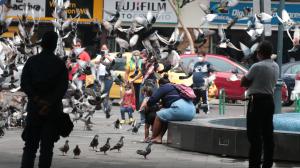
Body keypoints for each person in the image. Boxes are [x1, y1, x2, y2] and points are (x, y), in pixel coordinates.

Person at [20, 31, 69, 168]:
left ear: (41, 45)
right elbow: (62, 88)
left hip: (34, 110)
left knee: (30, 148)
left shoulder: (32, 62)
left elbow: (24, 83)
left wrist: (37, 99)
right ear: (54, 46)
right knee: (47, 150)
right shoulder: (59, 64)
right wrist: (48, 103)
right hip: (52, 112)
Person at [241, 41, 279, 168]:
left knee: (254, 135)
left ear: (260, 52)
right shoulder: (276, 66)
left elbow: (244, 83)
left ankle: (255, 164)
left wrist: (246, 79)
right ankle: (267, 163)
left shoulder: (257, 66)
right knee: (268, 134)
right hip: (269, 101)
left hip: (257, 102)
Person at [147, 74, 195, 144]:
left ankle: (153, 138)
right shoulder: (176, 87)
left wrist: (147, 105)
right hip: (191, 111)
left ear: (160, 84)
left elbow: (152, 100)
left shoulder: (164, 87)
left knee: (158, 116)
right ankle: (159, 137)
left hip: (180, 109)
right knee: (166, 116)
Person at [180, 49, 214, 114]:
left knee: (204, 99)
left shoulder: (208, 64)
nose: (199, 57)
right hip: (195, 85)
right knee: (195, 99)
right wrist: (184, 77)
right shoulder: (196, 64)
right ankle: (195, 111)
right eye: (198, 56)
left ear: (204, 56)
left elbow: (212, 74)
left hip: (203, 85)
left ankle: (206, 112)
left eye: (201, 56)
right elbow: (191, 73)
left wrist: (209, 81)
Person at [130, 50, 159, 124]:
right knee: (141, 101)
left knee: (152, 102)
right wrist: (133, 79)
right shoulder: (143, 64)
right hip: (144, 83)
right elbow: (142, 73)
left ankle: (152, 119)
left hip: (152, 84)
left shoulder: (154, 64)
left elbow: (155, 73)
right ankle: (143, 120)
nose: (141, 57)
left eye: (142, 55)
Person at [92, 44, 115, 118]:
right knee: (99, 93)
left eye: (105, 49)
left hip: (108, 77)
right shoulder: (99, 56)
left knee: (105, 93)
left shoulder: (110, 56)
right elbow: (95, 62)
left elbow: (113, 62)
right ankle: (102, 107)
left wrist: (106, 56)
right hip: (100, 77)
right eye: (102, 49)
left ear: (107, 49)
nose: (103, 50)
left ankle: (106, 109)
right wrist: (101, 58)